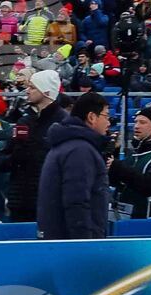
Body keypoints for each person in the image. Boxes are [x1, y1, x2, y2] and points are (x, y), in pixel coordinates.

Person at [0, 69, 69, 222]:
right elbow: (1, 161)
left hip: (49, 204)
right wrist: (16, 156)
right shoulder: (24, 121)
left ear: (46, 91)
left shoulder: (64, 123)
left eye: (32, 87)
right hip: (20, 204)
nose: (27, 91)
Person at [37, 92, 111, 239]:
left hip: (60, 240)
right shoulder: (80, 150)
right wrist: (83, 243)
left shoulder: (69, 145)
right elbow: (77, 201)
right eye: (106, 116)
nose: (109, 123)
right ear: (92, 117)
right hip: (71, 244)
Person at [109, 103, 151, 219]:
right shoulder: (135, 154)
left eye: (142, 122)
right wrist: (113, 153)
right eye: (136, 122)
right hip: (129, 220)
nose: (136, 126)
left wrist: (118, 167)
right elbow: (119, 183)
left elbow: (150, 185)